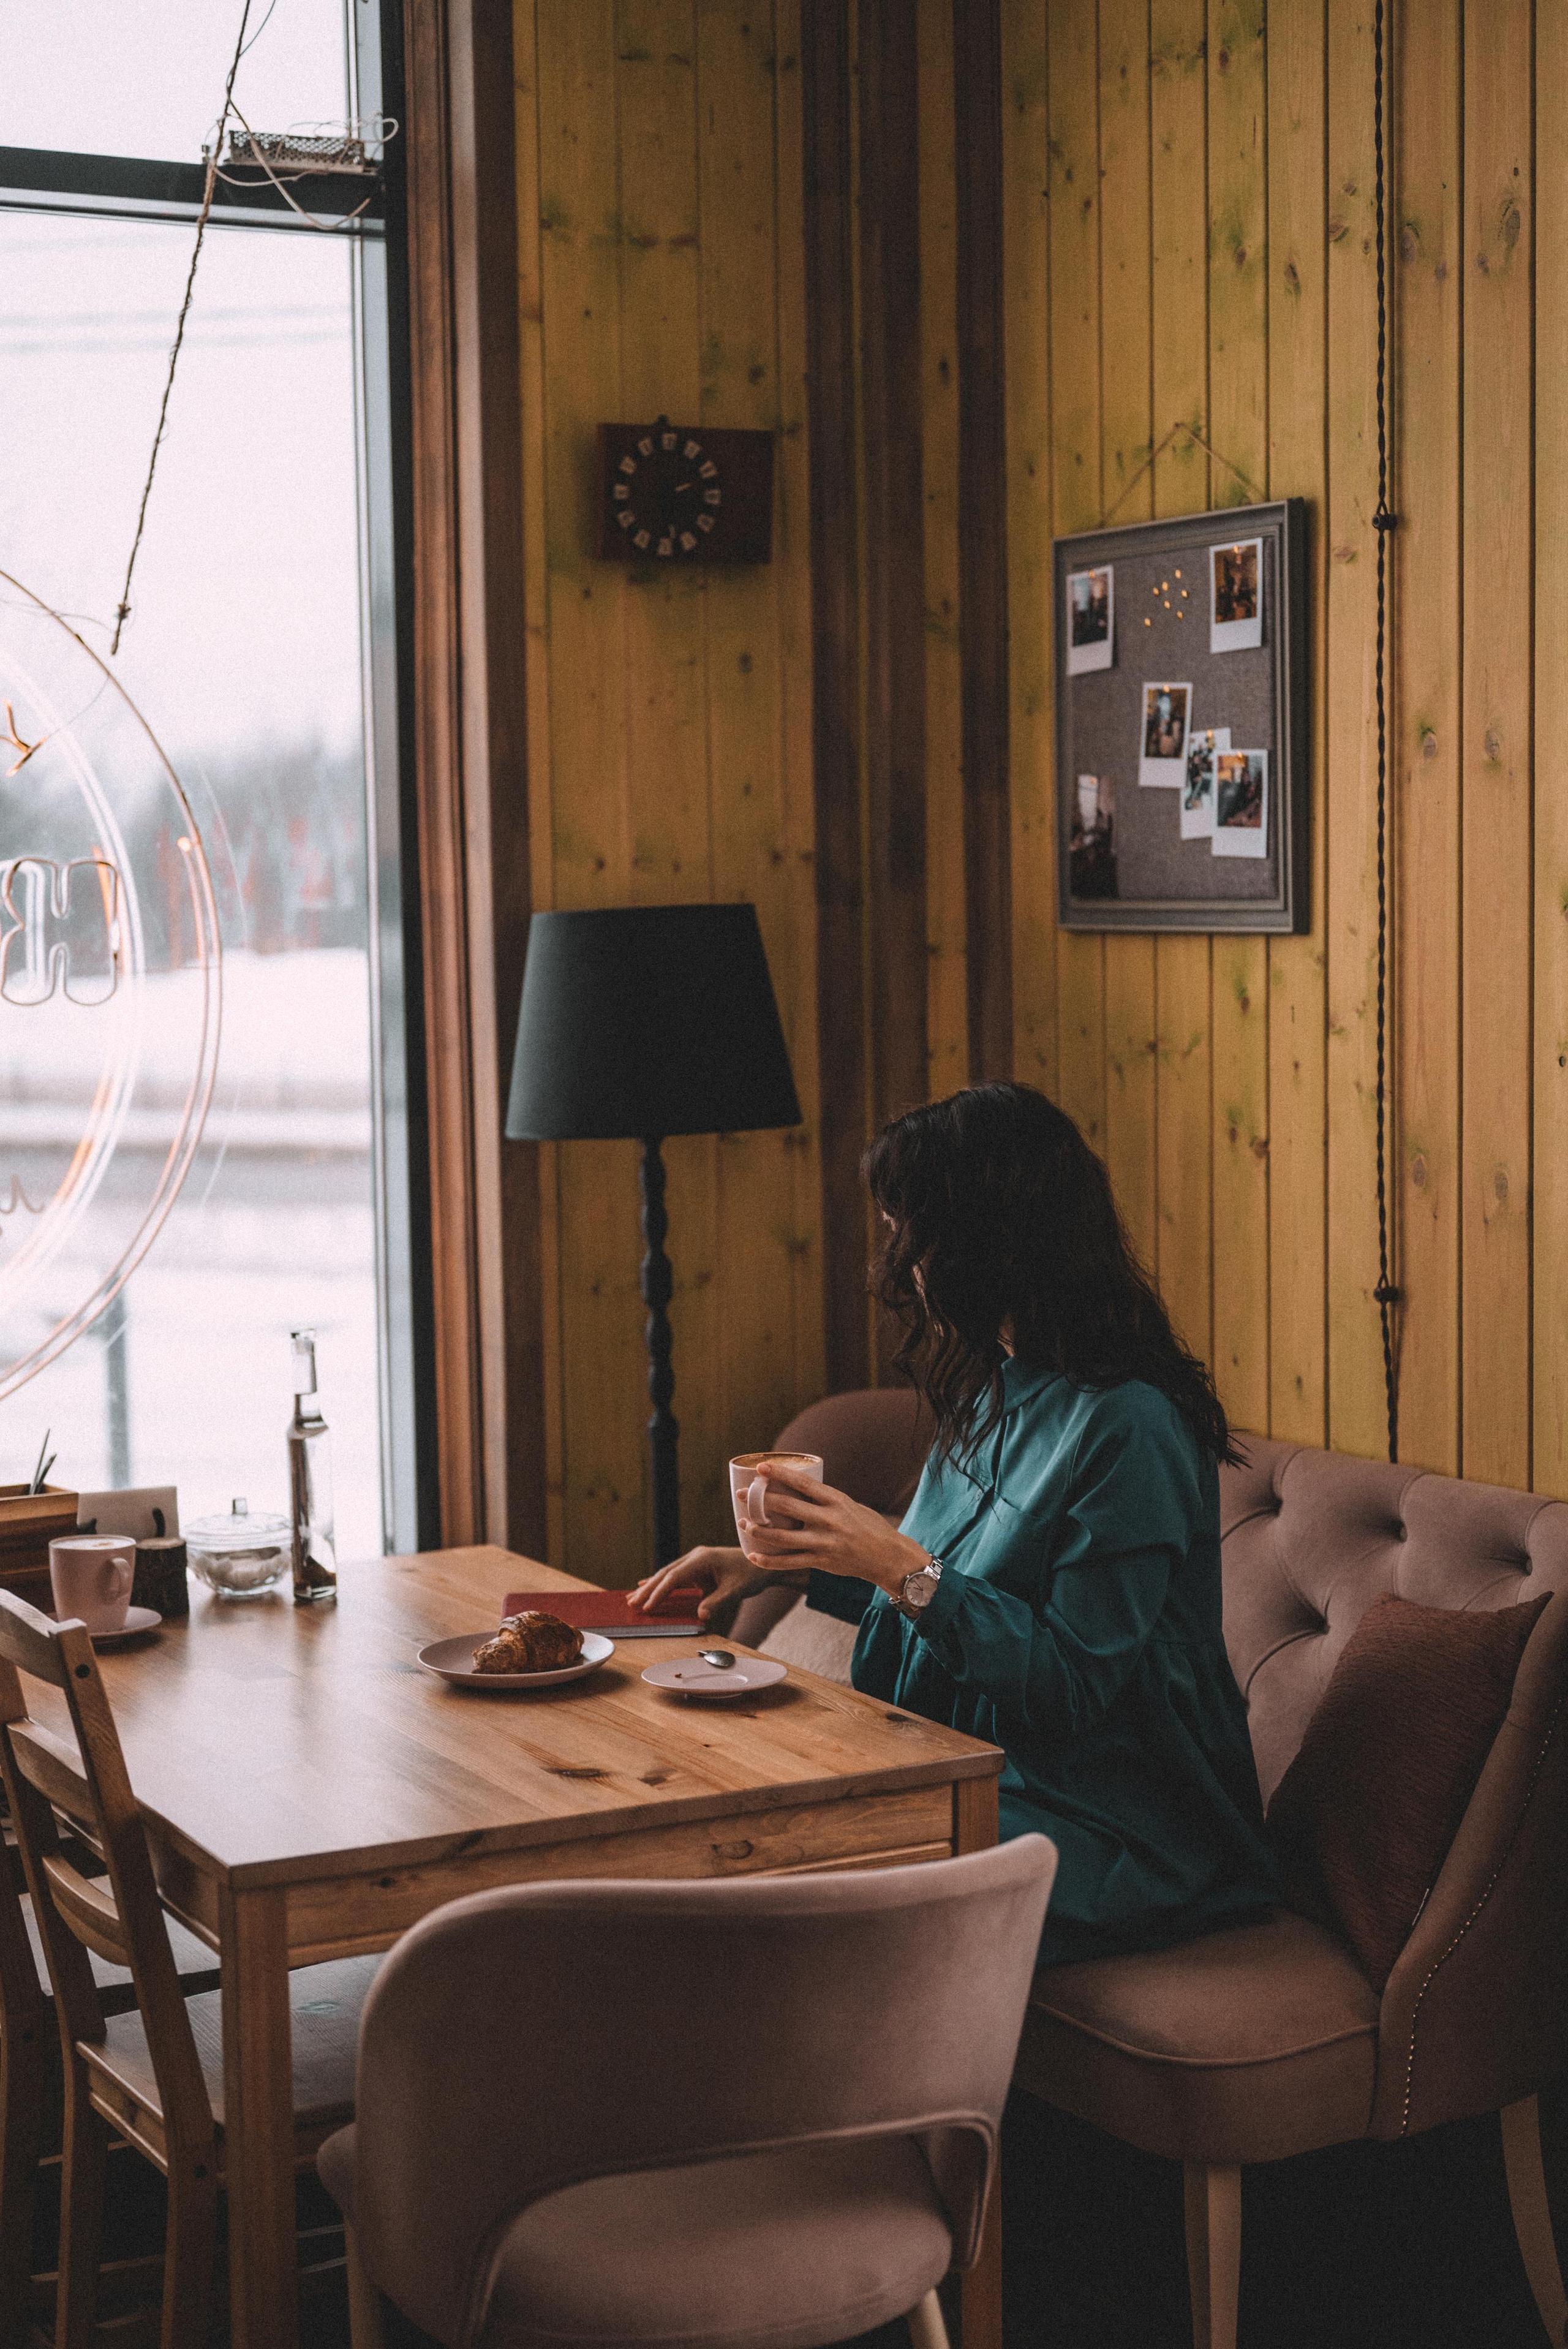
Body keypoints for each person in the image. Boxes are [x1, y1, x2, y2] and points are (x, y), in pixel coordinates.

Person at [632, 1081, 1280, 1965]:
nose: (904, 1257)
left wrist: (893, 1559)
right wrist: (788, 1566)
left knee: (811, 1855)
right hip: (981, 1773)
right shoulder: (999, 1387)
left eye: (914, 1228)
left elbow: (1067, 1685)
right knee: (739, 1796)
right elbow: (956, 1605)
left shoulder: (1131, 1426)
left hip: (1120, 1830)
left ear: (991, 1238)